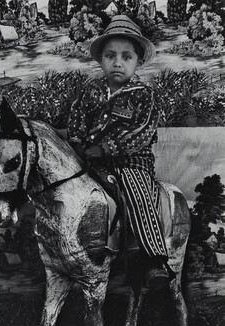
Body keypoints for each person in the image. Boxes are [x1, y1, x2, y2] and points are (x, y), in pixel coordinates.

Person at [67, 15, 173, 289]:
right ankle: (79, 254)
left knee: (137, 193)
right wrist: (79, 143)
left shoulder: (144, 94)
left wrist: (107, 148)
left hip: (131, 162)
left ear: (137, 61)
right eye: (110, 56)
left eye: (127, 57)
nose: (118, 62)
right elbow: (76, 118)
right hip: (90, 160)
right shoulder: (90, 91)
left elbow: (143, 133)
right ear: (101, 59)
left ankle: (154, 259)